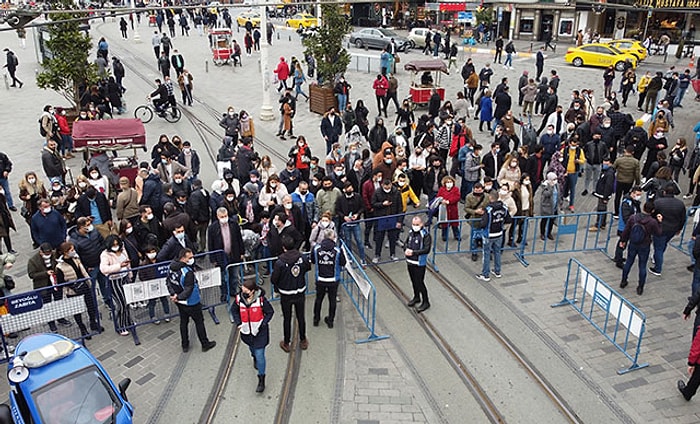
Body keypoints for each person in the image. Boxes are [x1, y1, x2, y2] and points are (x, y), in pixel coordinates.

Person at [167, 248, 217, 353]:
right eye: (190, 258)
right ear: (183, 258)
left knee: (183, 322)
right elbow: (188, 289)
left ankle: (185, 345)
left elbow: (168, 282)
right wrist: (178, 297)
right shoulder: (187, 272)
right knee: (199, 322)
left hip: (179, 302)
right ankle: (205, 343)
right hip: (191, 302)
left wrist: (174, 295)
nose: (192, 259)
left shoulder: (171, 267)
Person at [232, 278, 274, 393]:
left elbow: (270, 312)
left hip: (259, 332)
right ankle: (254, 356)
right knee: (252, 350)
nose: (243, 293)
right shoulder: (238, 300)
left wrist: (263, 324)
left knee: (260, 354)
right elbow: (234, 311)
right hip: (246, 332)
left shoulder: (261, 300)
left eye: (245, 291)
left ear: (252, 291)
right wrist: (239, 323)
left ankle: (261, 379)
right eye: (242, 290)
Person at [272, 235, 311, 352]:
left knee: (287, 318)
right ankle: (303, 339)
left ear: (284, 248)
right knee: (301, 317)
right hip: (299, 291)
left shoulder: (279, 262)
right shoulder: (302, 257)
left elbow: (274, 279)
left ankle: (286, 342)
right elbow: (308, 267)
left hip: (286, 294)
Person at [55, 242, 101, 337]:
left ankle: (93, 323)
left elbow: (82, 270)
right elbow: (60, 282)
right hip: (73, 291)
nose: (74, 251)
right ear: (65, 252)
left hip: (84, 286)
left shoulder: (76, 258)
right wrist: (72, 285)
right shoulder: (60, 267)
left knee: (90, 306)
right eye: (71, 250)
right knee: (77, 310)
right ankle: (82, 328)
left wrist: (87, 280)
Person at [619, 202, 662, 295]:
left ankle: (623, 281)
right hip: (644, 245)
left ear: (643, 208)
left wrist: (623, 240)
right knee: (642, 266)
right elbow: (658, 233)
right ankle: (640, 287)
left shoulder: (633, 218)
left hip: (633, 243)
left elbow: (626, 230)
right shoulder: (652, 222)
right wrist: (659, 222)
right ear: (653, 211)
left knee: (629, 262)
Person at [649, 184, 686, 277]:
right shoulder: (680, 204)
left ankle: (657, 268)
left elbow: (652, 215)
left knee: (658, 248)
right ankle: (657, 258)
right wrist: (679, 228)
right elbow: (683, 218)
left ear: (664, 192)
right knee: (663, 244)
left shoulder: (658, 202)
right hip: (673, 229)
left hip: (660, 228)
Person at [208, 207, 244, 301]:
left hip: (234, 254)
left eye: (225, 216)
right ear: (217, 216)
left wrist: (242, 252)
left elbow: (239, 239)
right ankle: (224, 294)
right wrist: (213, 259)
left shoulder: (233, 224)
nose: (224, 218)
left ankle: (233, 291)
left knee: (235, 276)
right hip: (220, 257)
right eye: (222, 216)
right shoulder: (212, 228)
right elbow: (210, 244)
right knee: (223, 278)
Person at [311, 229, 346, 328]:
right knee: (332, 300)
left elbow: (313, 261)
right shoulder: (338, 250)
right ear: (332, 237)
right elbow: (343, 263)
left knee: (318, 299)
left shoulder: (316, 248)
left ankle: (316, 320)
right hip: (333, 280)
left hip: (320, 279)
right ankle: (330, 321)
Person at [476, 190, 511, 281]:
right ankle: (497, 271)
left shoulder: (488, 210)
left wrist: (480, 225)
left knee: (486, 254)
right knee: (497, 252)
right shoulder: (504, 208)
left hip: (488, 234)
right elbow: (509, 220)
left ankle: (485, 274)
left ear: (490, 198)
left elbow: (483, 223)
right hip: (499, 234)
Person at [405, 216, 431, 312]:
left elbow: (426, 249)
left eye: (417, 224)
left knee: (420, 282)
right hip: (410, 261)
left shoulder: (426, 235)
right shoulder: (411, 233)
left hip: (419, 263)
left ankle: (426, 301)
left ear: (421, 224)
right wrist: (406, 249)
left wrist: (413, 252)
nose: (415, 226)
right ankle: (416, 297)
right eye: (413, 224)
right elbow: (406, 243)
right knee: (413, 281)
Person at [613, 186, 642, 268]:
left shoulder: (634, 202)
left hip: (629, 227)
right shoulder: (626, 203)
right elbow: (626, 218)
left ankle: (618, 257)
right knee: (622, 243)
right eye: (637, 194)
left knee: (622, 242)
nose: (638, 196)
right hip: (625, 228)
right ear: (632, 193)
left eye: (640, 195)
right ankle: (618, 261)